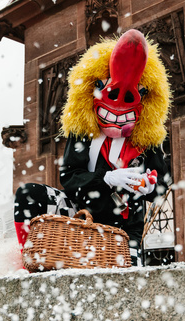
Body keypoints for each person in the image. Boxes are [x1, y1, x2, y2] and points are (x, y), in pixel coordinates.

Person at [14, 29, 171, 266]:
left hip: (125, 229)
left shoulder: (148, 142)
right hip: (80, 213)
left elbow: (162, 186)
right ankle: (25, 263)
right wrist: (106, 178)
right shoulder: (83, 133)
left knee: (129, 278)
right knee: (27, 194)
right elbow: (68, 177)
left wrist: (149, 188)